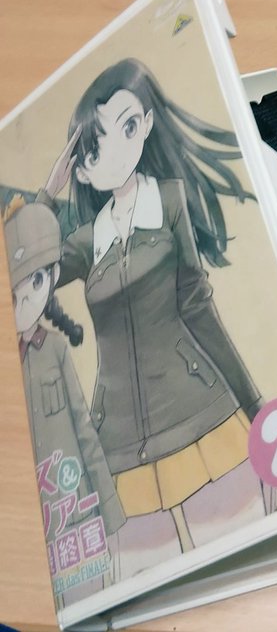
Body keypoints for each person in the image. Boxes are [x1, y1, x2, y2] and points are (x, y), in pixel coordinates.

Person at [40, 58, 268, 579]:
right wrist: (47, 195)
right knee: (147, 584)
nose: (116, 151)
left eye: (127, 126)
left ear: (145, 125)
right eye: (95, 148)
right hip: (118, 445)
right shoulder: (83, 243)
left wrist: (255, 407)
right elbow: (25, 270)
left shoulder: (169, 201)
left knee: (244, 564)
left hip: (203, 417)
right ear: (81, 168)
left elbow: (197, 304)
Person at [3, 196, 126, 603]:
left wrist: (110, 512)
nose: (23, 303)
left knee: (100, 596)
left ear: (52, 276)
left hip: (76, 510)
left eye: (35, 284)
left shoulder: (55, 349)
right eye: (12, 294)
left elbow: (83, 427)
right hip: (29, 528)